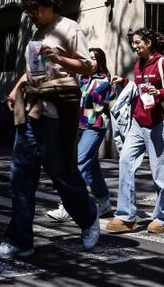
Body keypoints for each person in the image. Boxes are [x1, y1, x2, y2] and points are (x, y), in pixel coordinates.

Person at [0, 0, 100, 260]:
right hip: (31, 107)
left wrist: (60, 57)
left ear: (49, 4)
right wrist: (15, 89)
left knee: (60, 171)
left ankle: (88, 217)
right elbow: (33, 72)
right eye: (28, 12)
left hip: (57, 109)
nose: (31, 15)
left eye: (35, 9)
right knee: (21, 175)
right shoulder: (37, 33)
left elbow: (88, 66)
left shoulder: (69, 27)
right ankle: (20, 241)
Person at [106, 28, 164, 234]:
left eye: (138, 42)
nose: (134, 46)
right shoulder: (138, 65)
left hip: (158, 124)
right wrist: (124, 82)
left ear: (149, 42)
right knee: (125, 163)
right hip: (138, 124)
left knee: (159, 173)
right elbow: (138, 89)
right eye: (133, 42)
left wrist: (159, 92)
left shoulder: (162, 63)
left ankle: (161, 218)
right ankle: (125, 216)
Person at [46, 47, 115, 222]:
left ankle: (68, 207)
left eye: (94, 58)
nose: (90, 61)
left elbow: (113, 105)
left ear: (100, 61)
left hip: (95, 126)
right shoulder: (81, 78)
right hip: (79, 126)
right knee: (92, 168)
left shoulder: (105, 81)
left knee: (78, 164)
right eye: (88, 58)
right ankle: (104, 202)